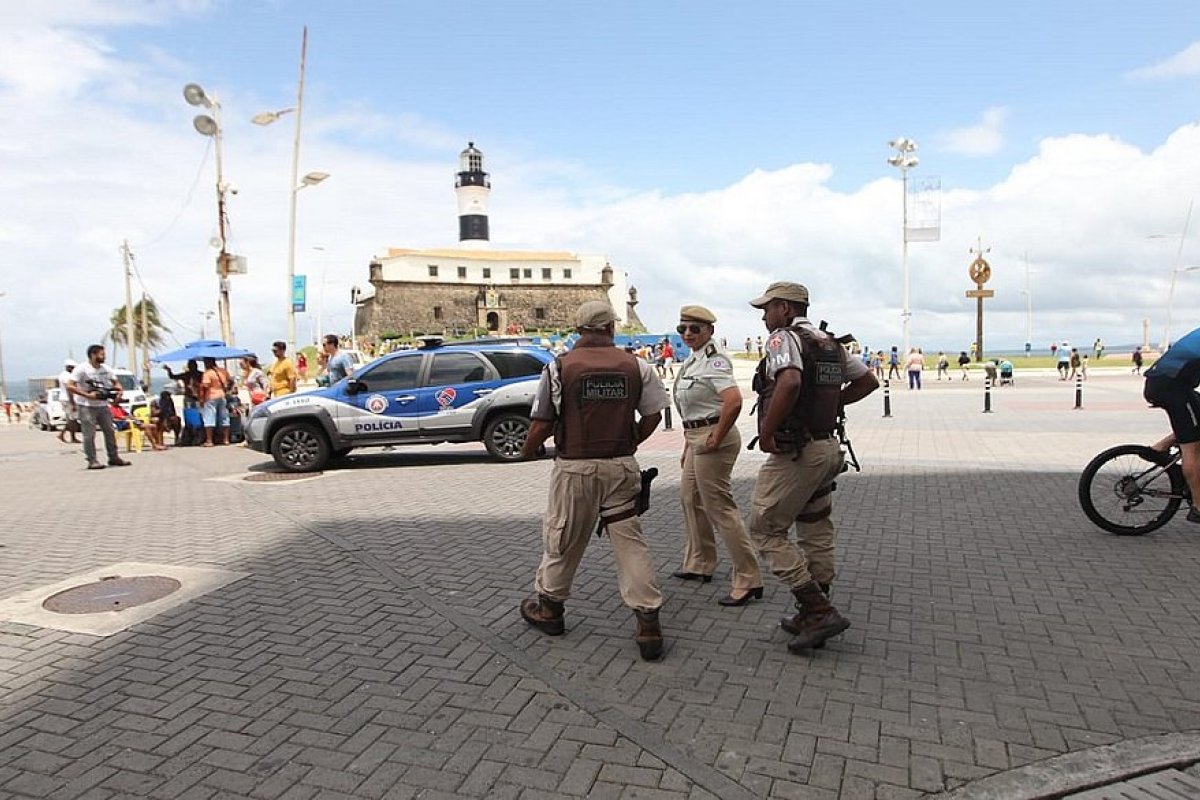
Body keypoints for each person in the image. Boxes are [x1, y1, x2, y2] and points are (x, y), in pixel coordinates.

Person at [518, 301, 670, 662]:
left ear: (579, 328)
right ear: (611, 328)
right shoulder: (637, 366)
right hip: (620, 466)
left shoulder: (559, 367)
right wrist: (631, 440)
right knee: (629, 541)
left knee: (564, 537)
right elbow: (653, 413)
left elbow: (541, 422)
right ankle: (648, 621)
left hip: (576, 469)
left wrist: (528, 450)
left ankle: (550, 610)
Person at [745, 282, 878, 653]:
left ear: (785, 309)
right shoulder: (829, 342)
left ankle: (818, 610)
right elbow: (868, 381)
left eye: (768, 308)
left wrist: (769, 431)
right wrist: (833, 406)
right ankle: (813, 610)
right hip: (828, 446)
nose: (764, 316)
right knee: (814, 524)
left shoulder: (783, 339)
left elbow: (788, 381)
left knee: (765, 529)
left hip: (797, 453)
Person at [670, 305, 763, 606]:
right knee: (689, 498)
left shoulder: (715, 360)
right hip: (695, 437)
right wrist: (688, 444)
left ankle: (749, 578)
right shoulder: (693, 360)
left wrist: (716, 437)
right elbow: (690, 408)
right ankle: (700, 563)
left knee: (720, 508)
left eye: (694, 329)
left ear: (710, 331)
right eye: (682, 329)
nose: (687, 334)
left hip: (713, 439)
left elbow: (733, 401)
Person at [1144, 325, 1200, 523]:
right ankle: (1198, 507)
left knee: (1192, 426)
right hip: (1171, 388)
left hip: (1166, 384)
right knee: (1192, 446)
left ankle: (1160, 448)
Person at [67, 344, 131, 470]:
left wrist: (119, 393)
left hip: (103, 404)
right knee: (89, 434)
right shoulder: (82, 369)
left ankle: (114, 457)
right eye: (102, 354)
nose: (104, 357)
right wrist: (87, 395)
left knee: (110, 431)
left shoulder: (106, 369)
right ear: (93, 355)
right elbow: (70, 386)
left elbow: (116, 382)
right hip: (86, 405)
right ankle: (92, 460)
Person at [198, 357, 232, 446]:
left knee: (209, 417)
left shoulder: (208, 373)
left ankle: (209, 440)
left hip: (211, 396)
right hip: (222, 395)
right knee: (224, 417)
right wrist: (227, 389)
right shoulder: (223, 371)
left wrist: (201, 398)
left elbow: (205, 386)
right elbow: (231, 380)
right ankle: (226, 439)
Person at [57, 358, 81, 444]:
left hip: (65, 398)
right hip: (68, 399)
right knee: (72, 419)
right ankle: (64, 434)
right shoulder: (67, 376)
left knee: (72, 419)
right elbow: (69, 390)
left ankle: (70, 436)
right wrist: (73, 403)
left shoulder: (62, 375)